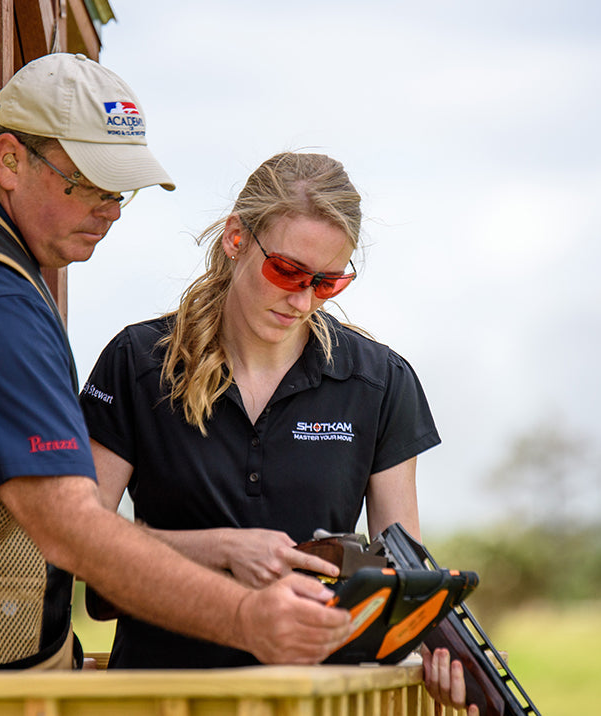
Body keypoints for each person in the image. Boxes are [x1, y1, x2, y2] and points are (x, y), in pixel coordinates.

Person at [0, 53, 353, 673]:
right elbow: (68, 525)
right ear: (10, 160)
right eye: (91, 184)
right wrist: (245, 619)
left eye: (122, 190)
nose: (111, 208)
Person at [80, 151, 476, 713]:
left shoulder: (381, 382)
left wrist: (434, 654)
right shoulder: (138, 363)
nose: (302, 300)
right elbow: (82, 545)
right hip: (163, 699)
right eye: (287, 272)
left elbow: (401, 571)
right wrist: (218, 550)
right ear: (236, 238)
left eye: (326, 282)